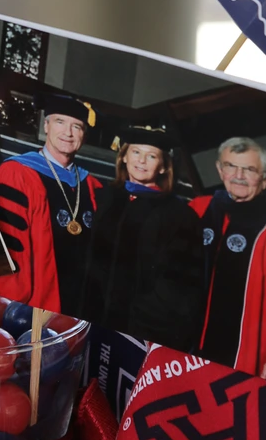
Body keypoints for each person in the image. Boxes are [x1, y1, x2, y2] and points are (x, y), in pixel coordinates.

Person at [82, 125, 205, 348]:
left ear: (163, 167)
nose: (141, 161)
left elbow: (179, 286)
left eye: (152, 156)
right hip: (89, 318)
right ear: (125, 157)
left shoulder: (180, 216)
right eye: (136, 152)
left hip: (143, 328)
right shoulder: (102, 198)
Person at [0, 92, 102, 313]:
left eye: (77, 126)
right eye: (60, 122)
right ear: (46, 126)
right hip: (36, 302)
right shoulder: (16, 174)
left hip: (83, 303)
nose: (68, 132)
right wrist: (11, 306)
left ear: (83, 135)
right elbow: (6, 247)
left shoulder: (92, 185)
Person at [190, 137, 266, 379]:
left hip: (245, 351)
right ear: (220, 170)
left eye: (249, 169)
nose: (239, 175)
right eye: (231, 166)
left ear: (265, 178)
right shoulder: (200, 208)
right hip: (187, 343)